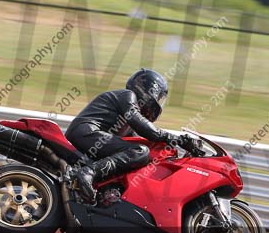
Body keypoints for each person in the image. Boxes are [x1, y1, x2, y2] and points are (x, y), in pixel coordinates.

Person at [65, 68, 194, 202]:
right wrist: (174, 138)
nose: (158, 102)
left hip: (91, 138)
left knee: (138, 154)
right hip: (86, 132)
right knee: (140, 151)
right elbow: (141, 124)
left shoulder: (128, 124)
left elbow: (140, 137)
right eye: (159, 97)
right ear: (150, 89)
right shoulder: (127, 95)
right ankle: (88, 172)